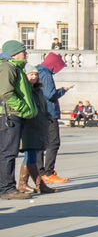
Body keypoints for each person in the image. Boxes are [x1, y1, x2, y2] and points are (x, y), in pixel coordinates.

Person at [1, 41, 38, 199]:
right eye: (24, 51)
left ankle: (6, 186)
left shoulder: (15, 67)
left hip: (12, 115)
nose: (26, 54)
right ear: (15, 53)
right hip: (10, 116)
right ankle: (7, 188)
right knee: (8, 152)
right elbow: (5, 93)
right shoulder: (8, 67)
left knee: (7, 152)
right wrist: (23, 107)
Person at [17, 65, 53, 195]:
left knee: (31, 155)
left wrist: (48, 117)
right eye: (31, 74)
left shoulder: (38, 90)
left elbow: (43, 106)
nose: (34, 77)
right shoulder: (25, 90)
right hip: (29, 125)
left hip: (39, 125)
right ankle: (39, 184)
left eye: (36, 75)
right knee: (31, 155)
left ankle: (24, 183)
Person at [36, 52, 71, 185]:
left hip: (40, 112)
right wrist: (63, 90)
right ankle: (48, 172)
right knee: (53, 142)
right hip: (49, 113)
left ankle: (40, 172)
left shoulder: (38, 71)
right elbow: (50, 95)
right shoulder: (46, 74)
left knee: (40, 144)